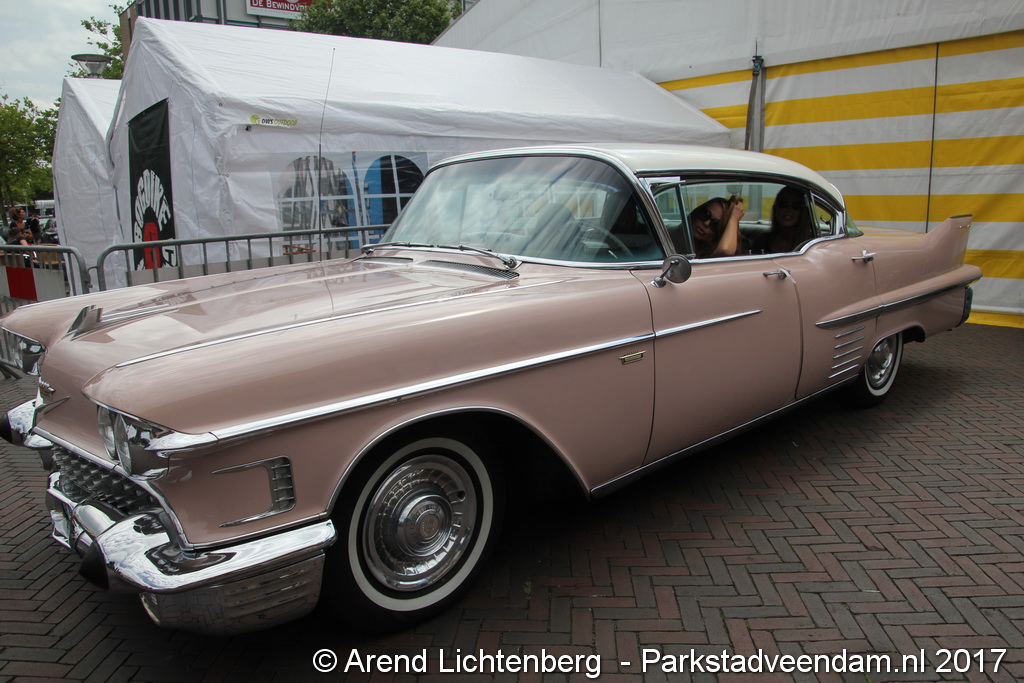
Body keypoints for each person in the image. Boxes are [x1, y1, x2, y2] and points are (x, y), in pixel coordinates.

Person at [754, 187, 817, 254]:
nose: (789, 210)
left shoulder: (812, 244)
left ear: (803, 212)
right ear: (775, 208)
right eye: (783, 204)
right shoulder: (762, 241)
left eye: (796, 206)